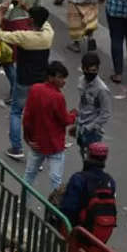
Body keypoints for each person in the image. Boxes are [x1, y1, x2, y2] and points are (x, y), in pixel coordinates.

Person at [22, 60, 75, 194]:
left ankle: (23, 206)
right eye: (60, 77)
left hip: (37, 143)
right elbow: (65, 120)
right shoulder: (58, 97)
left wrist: (28, 139)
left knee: (28, 177)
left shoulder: (35, 89)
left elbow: (27, 118)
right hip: (54, 146)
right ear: (51, 77)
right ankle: (54, 212)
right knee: (56, 183)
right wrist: (74, 115)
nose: (63, 81)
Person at [74, 51, 111, 151]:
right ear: (83, 69)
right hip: (81, 127)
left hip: (93, 132)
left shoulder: (101, 89)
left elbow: (105, 114)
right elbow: (82, 104)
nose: (92, 73)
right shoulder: (81, 81)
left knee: (93, 161)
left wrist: (89, 127)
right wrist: (76, 123)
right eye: (89, 70)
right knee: (83, 155)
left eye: (94, 70)